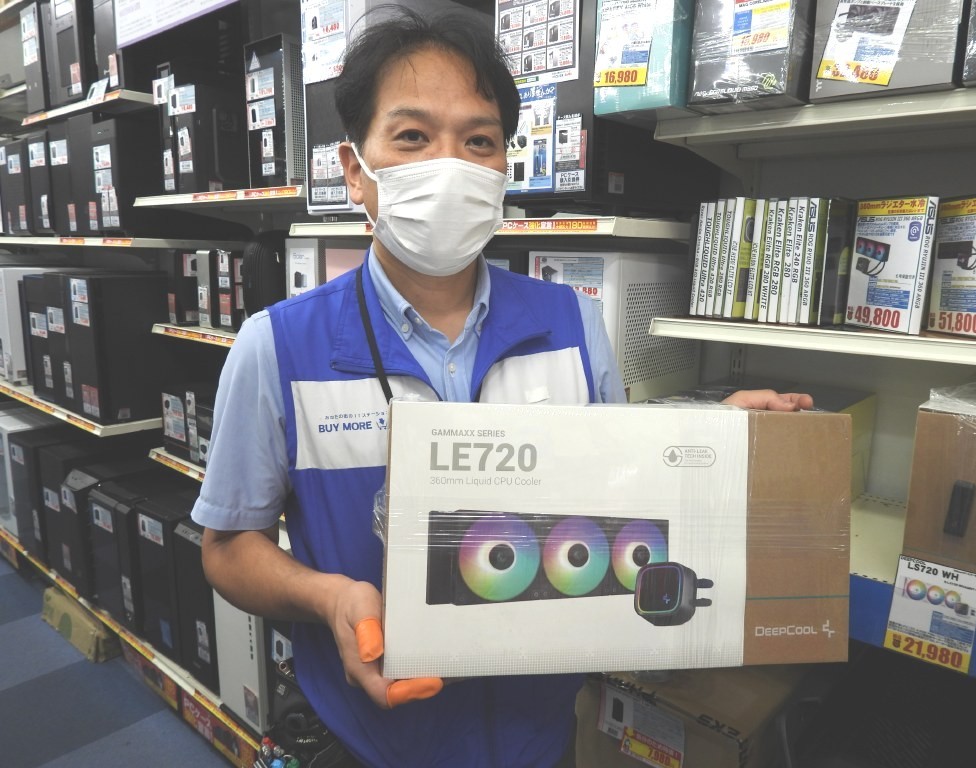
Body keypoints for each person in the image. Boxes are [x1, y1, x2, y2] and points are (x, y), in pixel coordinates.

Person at [192, 6, 812, 768]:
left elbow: (622, 492)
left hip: (540, 740)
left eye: (478, 141)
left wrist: (712, 436)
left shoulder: (570, 324)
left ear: (502, 172)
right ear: (356, 171)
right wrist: (329, 599)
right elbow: (228, 548)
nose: (449, 165)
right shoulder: (278, 347)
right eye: (412, 137)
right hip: (372, 740)